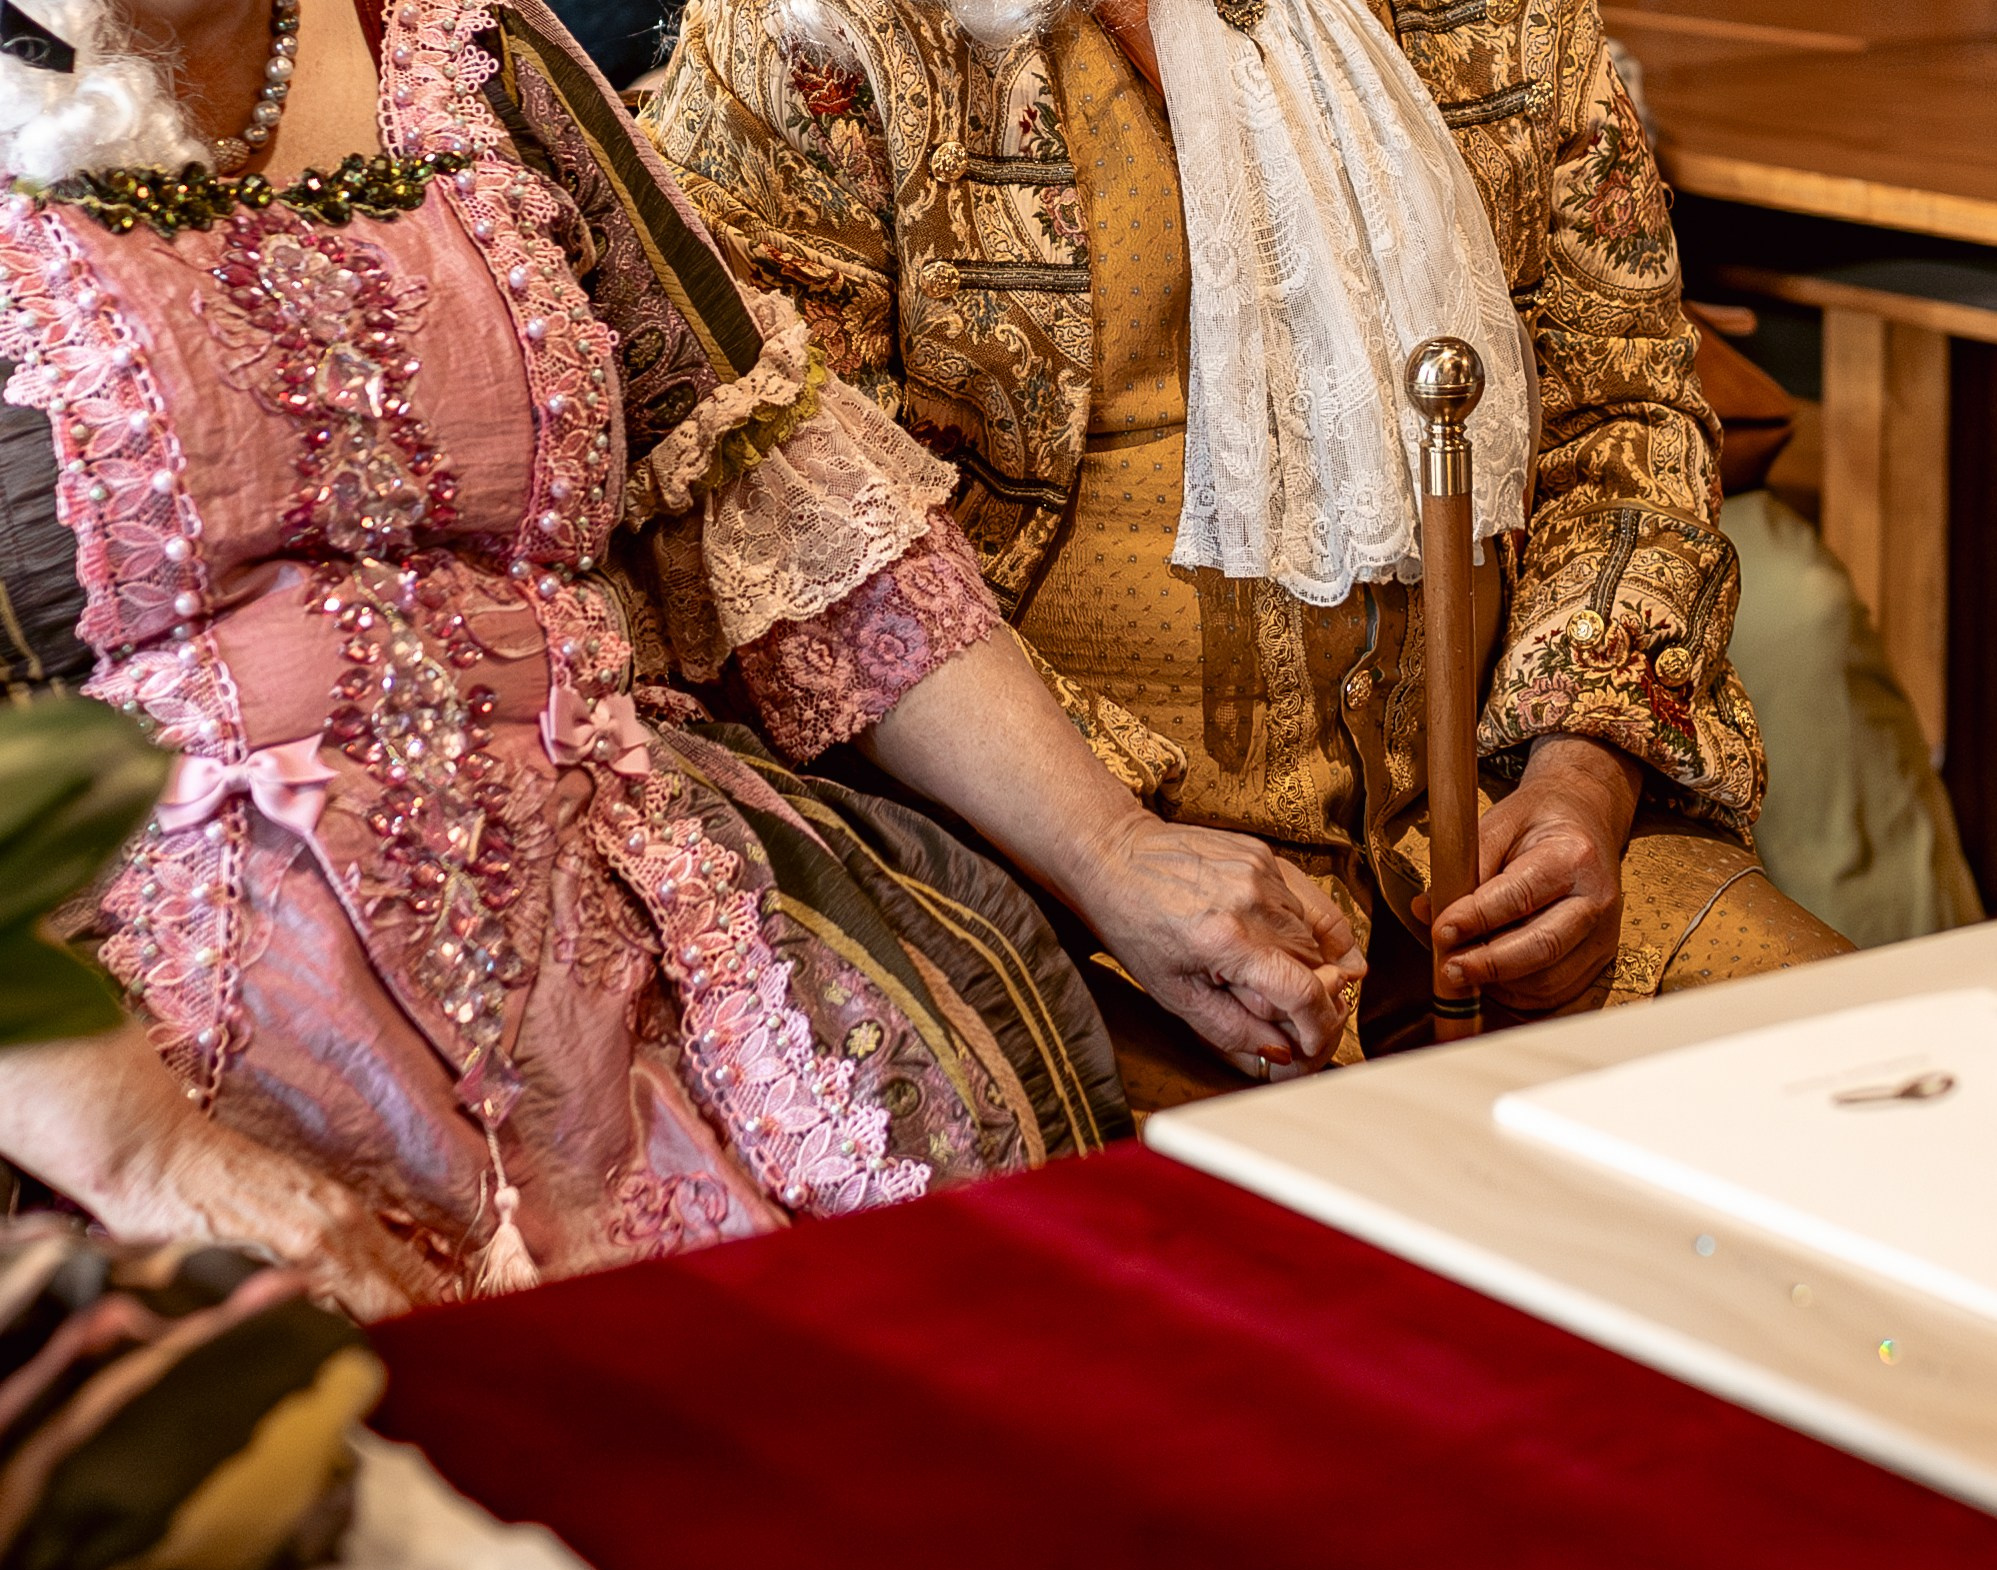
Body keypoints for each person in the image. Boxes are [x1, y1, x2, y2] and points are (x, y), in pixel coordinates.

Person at [0, 0, 1368, 1317]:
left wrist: (1113, 853)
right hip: (126, 1031)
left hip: (634, 912)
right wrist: (151, 1160)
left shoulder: (466, 44)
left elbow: (777, 492)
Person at [646, 0, 1853, 1074]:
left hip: (1493, 847)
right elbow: (778, 515)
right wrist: (1108, 850)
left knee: (1864, 1114)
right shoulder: (812, 32)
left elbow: (1620, 409)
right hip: (1064, 901)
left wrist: (1577, 780)